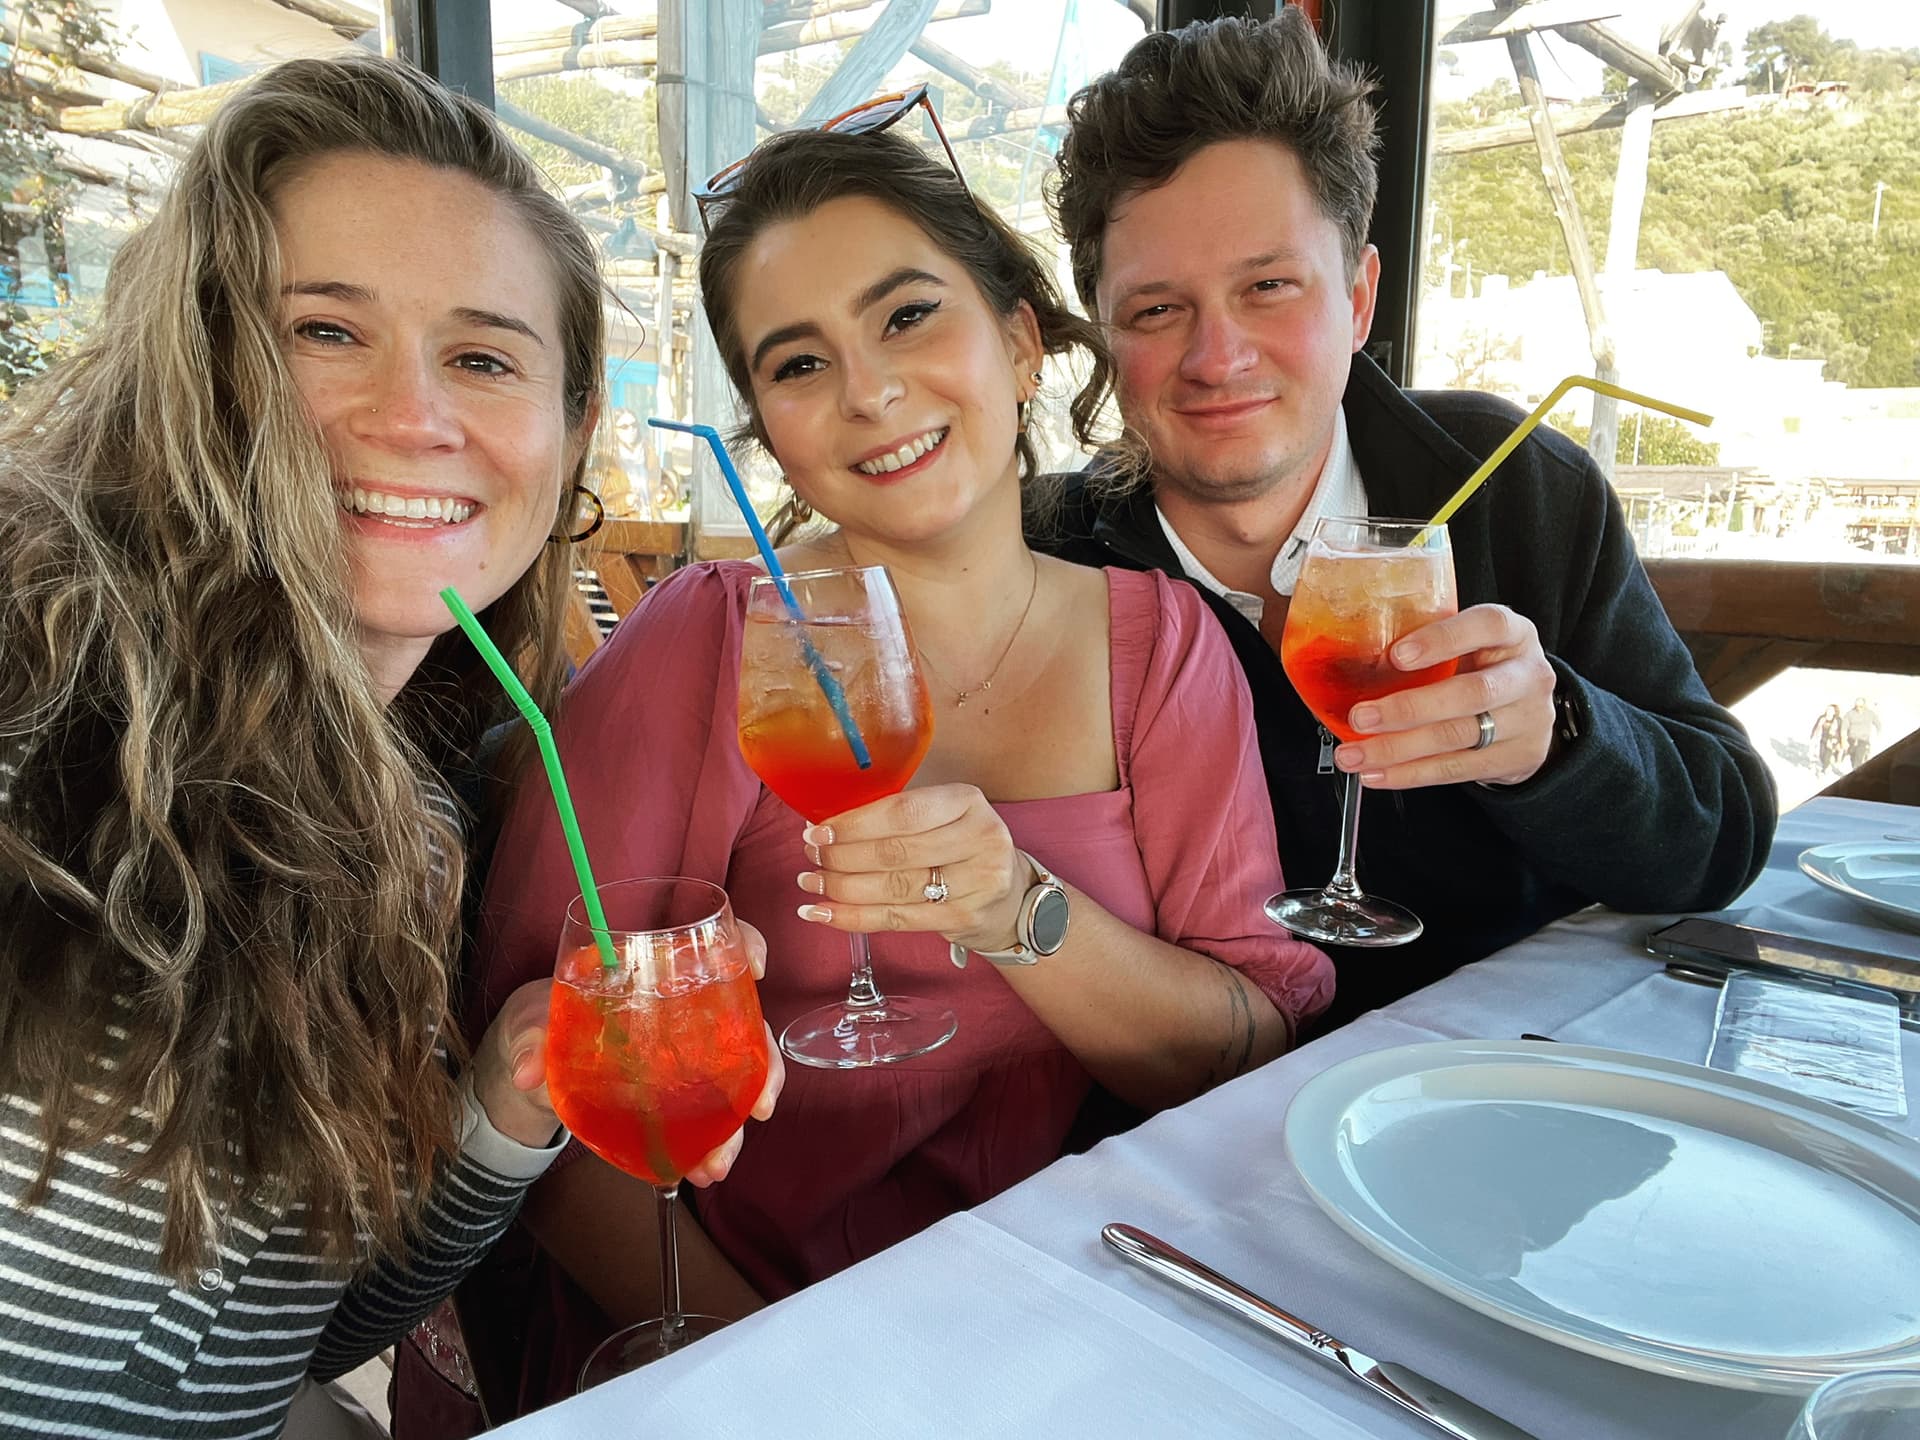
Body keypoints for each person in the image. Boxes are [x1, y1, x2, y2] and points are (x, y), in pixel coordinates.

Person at [466, 119, 1335, 1415]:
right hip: (719, 1346)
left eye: (909, 316)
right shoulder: (711, 640)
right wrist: (789, 1374)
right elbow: (558, 1100)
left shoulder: (1166, 647)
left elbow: (1241, 1051)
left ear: (1025, 341)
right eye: (800, 361)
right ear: (766, 424)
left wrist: (1020, 917)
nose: (868, 392)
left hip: (1042, 1323)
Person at [0, 54, 777, 1438]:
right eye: (323, 331)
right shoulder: (37, 709)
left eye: (481, 357)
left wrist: (503, 1100)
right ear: (196, 357)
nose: (413, 416)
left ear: (572, 427)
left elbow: (294, 1332)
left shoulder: (403, 823)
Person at [1042, 12, 1777, 1028]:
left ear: (1359, 296)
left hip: (1507, 1086)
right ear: (1104, 336)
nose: (1219, 356)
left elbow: (1723, 835)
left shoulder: (1510, 484)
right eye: (1157, 310)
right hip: (1190, 1123)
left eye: (1269, 287)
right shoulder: (1049, 554)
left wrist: (1555, 738)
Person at [1843, 696, 1882, 771]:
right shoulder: (1850, 714)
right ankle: (1856, 769)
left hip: (1863, 740)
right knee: (1853, 758)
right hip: (1852, 739)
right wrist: (1843, 739)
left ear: (1864, 705)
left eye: (1860, 706)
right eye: (1857, 706)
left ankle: (1856, 773)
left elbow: (1878, 723)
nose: (1858, 708)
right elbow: (1844, 727)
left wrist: (1879, 732)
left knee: (1858, 758)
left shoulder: (1870, 714)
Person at [1810, 703, 1844, 774]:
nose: (1828, 711)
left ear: (1834, 712)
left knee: (1827, 755)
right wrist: (1812, 735)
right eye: (1828, 709)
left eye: (1831, 710)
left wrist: (1840, 742)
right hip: (1823, 739)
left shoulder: (1838, 720)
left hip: (1833, 740)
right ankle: (1826, 764)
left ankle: (1825, 768)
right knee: (1821, 755)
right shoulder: (1822, 718)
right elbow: (1816, 727)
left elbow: (1841, 731)